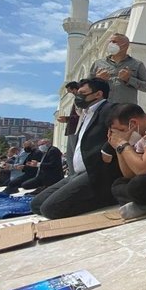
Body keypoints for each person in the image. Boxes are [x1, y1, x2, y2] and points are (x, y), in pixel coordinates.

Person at [31, 78, 121, 219]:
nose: (78, 97)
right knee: (36, 204)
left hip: (96, 173)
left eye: (83, 93)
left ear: (98, 94)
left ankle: (109, 197)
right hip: (77, 173)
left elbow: (123, 131)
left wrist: (106, 149)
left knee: (50, 209)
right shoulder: (86, 114)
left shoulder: (111, 109)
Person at [89, 33, 146, 104]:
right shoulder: (98, 63)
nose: (110, 44)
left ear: (125, 46)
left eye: (114, 42)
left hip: (126, 110)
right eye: (110, 41)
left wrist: (129, 79)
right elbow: (86, 86)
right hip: (102, 109)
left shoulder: (137, 64)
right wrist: (97, 79)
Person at [57, 81, 82, 175]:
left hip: (75, 129)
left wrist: (66, 119)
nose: (69, 93)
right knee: (70, 155)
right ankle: (72, 175)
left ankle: (74, 175)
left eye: (69, 91)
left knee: (73, 155)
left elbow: (81, 116)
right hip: (72, 129)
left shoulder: (80, 100)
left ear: (74, 89)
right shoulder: (77, 99)